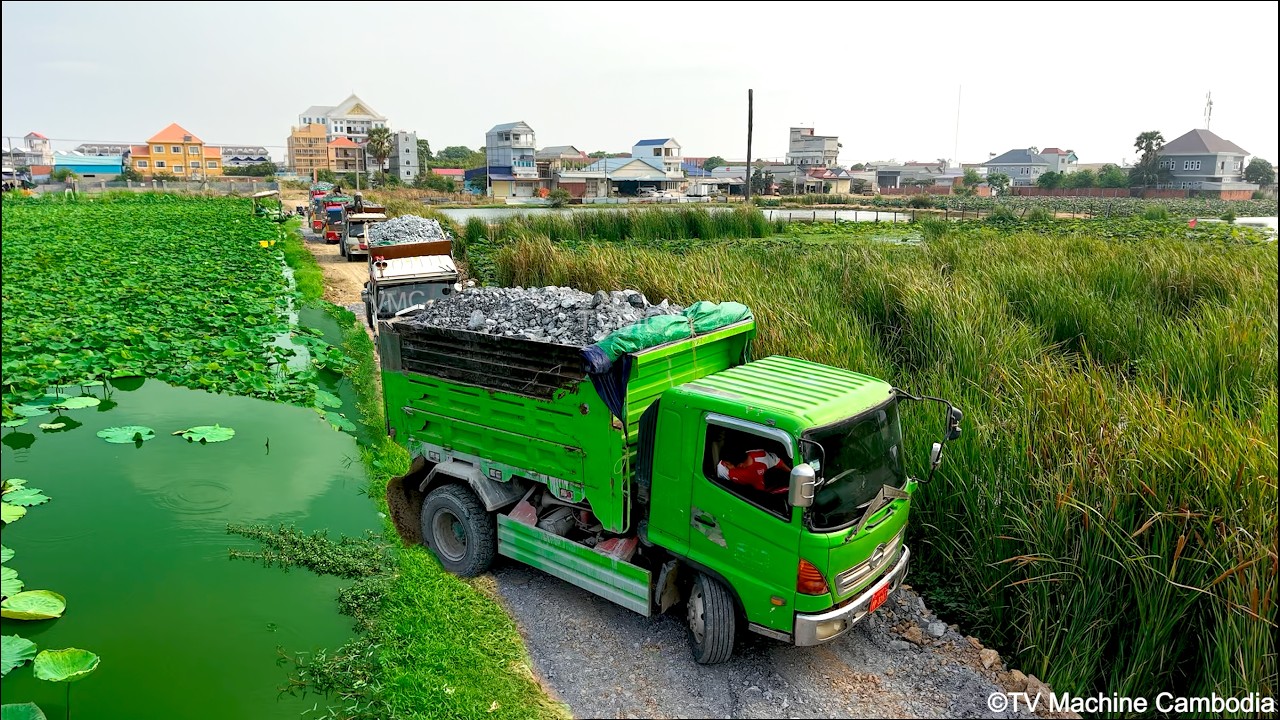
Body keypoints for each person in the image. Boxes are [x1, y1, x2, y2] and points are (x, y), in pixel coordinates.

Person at [717, 445, 791, 494]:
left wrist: (791, 474)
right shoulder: (722, 469)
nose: (723, 464)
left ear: (740, 465)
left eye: (727, 464)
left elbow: (779, 462)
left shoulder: (762, 457)